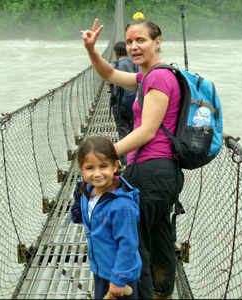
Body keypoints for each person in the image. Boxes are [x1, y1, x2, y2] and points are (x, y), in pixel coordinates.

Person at [80, 17, 184, 299]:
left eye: (141, 40)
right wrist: (91, 50)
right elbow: (111, 74)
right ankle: (162, 293)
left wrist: (102, 157)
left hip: (151, 171)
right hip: (161, 173)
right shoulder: (147, 76)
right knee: (160, 238)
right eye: (129, 42)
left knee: (140, 246)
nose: (134, 46)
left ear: (157, 41)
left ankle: (147, 294)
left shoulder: (159, 77)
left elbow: (148, 131)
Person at [70, 136, 141, 299]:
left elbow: (128, 244)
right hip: (101, 268)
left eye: (103, 166)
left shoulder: (122, 206)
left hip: (121, 275)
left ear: (115, 166)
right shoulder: (87, 192)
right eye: (89, 168)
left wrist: (119, 279)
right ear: (81, 169)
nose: (97, 174)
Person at [109, 41, 138, 161]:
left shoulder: (114, 65)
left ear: (116, 53)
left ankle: (126, 161)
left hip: (120, 104)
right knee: (135, 131)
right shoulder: (136, 63)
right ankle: (136, 157)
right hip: (136, 103)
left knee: (123, 130)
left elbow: (111, 83)